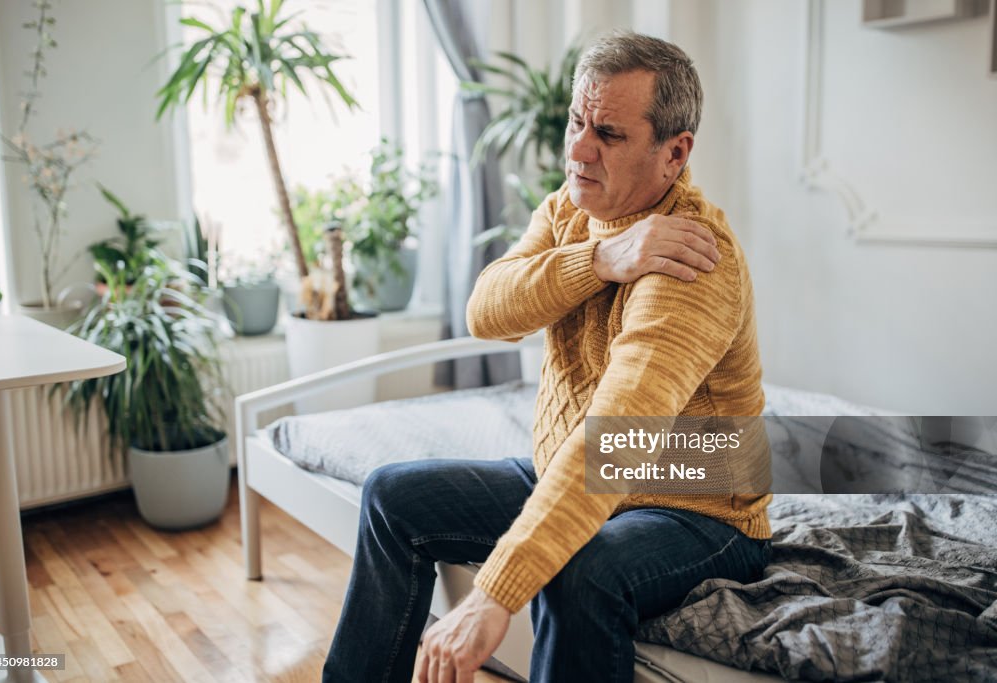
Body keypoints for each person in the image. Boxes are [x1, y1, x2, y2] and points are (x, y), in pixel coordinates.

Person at [323, 31, 773, 683]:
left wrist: (491, 597)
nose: (579, 149)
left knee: (581, 571)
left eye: (610, 134)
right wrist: (598, 258)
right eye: (576, 121)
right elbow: (487, 310)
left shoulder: (693, 261)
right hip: (571, 470)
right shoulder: (570, 209)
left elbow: (617, 440)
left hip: (700, 507)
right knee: (392, 495)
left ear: (674, 153)